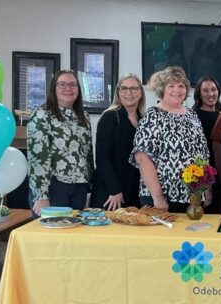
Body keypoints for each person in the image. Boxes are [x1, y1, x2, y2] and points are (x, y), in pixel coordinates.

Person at [129, 66, 209, 213]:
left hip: (192, 197)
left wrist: (205, 189)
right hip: (161, 199)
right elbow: (142, 158)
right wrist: (158, 197)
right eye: (171, 86)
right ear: (162, 89)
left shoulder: (192, 115)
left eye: (181, 86)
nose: (177, 90)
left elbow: (202, 154)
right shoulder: (153, 116)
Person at [27, 69, 93, 217]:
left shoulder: (84, 117)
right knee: (51, 236)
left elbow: (88, 154)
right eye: (62, 84)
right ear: (53, 88)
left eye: (72, 85)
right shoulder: (42, 114)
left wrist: (90, 184)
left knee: (73, 235)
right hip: (54, 187)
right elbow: (37, 157)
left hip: (79, 187)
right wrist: (40, 195)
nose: (68, 88)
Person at [90, 74, 145, 210]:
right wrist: (114, 190)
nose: (129, 93)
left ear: (141, 92)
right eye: (124, 88)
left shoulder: (144, 119)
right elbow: (102, 158)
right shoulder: (110, 117)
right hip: (111, 192)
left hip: (133, 188)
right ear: (118, 92)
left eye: (133, 88)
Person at [192, 75, 221, 213]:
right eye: (205, 90)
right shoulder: (192, 117)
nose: (210, 94)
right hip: (203, 175)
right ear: (199, 94)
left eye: (213, 89)